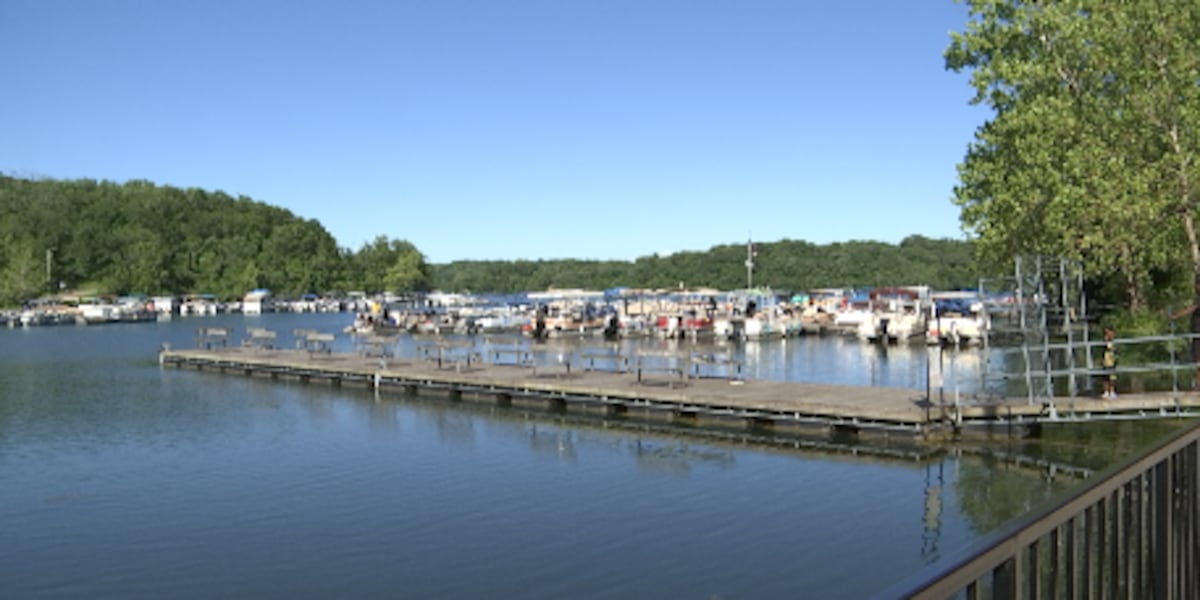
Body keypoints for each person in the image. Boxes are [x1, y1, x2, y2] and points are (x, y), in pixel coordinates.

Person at [1101, 326, 1117, 399]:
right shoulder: (1104, 343)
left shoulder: (1114, 342)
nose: (1107, 335)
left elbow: (1114, 350)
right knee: (1105, 377)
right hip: (1105, 361)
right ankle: (1106, 391)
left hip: (1112, 361)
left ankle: (1112, 391)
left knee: (1112, 377)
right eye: (1106, 334)